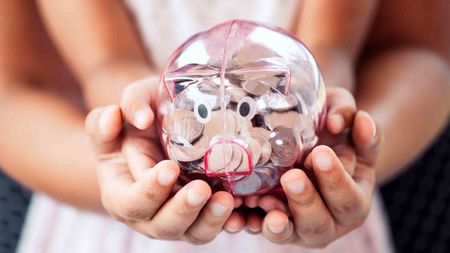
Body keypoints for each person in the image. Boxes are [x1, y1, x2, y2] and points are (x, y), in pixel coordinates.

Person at [0, 0, 448, 252]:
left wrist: (356, 154)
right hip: (96, 211)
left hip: (326, 219)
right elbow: (15, 93)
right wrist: (127, 177)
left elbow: (420, 51)